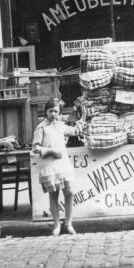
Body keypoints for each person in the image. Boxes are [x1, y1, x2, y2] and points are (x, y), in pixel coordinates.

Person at [32, 97, 82, 236]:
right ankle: (56, 225)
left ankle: (69, 223)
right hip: (50, 165)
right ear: (46, 112)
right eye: (50, 111)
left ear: (59, 113)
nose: (53, 114)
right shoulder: (41, 128)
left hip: (63, 164)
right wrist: (51, 151)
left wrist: (83, 119)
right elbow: (35, 148)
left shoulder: (60, 126)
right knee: (54, 194)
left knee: (69, 192)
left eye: (56, 111)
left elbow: (74, 131)